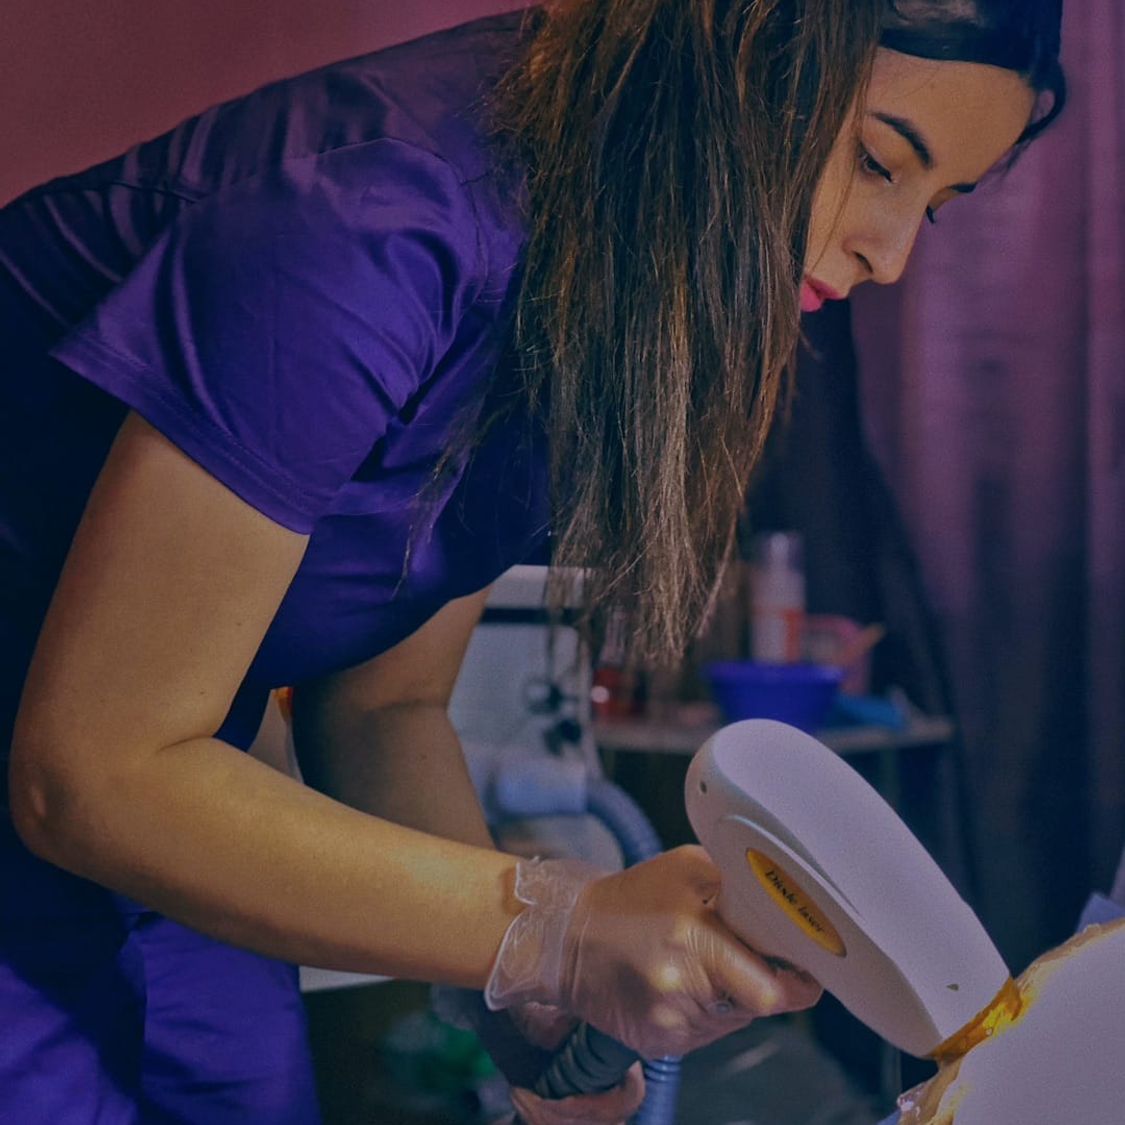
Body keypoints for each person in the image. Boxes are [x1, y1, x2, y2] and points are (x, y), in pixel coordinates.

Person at [0, 2, 1064, 1122]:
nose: (889, 256)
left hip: (161, 767)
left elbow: (384, 705)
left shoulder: (604, 276)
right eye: (878, 162)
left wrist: (536, 1008)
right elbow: (89, 775)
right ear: (736, 43)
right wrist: (560, 927)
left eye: (934, 208)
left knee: (242, 1089)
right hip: (98, 764)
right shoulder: (372, 222)